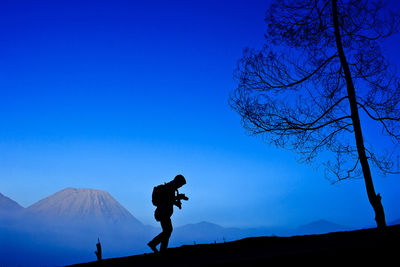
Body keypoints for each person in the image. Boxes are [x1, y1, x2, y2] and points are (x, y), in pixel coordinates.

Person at [147, 174, 188, 253]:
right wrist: (179, 198)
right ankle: (154, 244)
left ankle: (162, 249)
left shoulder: (171, 187)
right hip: (163, 212)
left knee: (167, 230)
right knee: (168, 230)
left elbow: (169, 200)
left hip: (163, 212)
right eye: (181, 184)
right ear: (178, 182)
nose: (180, 186)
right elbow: (169, 199)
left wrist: (178, 200)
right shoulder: (170, 188)